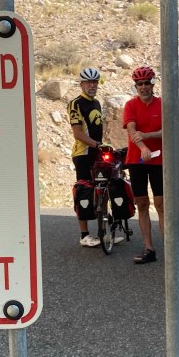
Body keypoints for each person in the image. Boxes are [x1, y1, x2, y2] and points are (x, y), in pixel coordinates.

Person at [123, 66, 164, 264]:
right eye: (139, 84)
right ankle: (149, 248)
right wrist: (143, 147)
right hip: (136, 160)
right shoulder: (130, 105)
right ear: (136, 86)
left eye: (147, 83)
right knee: (142, 203)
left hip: (159, 160)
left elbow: (168, 131)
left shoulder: (162, 104)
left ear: (153, 84)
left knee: (161, 204)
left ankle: (170, 248)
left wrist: (148, 136)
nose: (143, 87)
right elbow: (132, 130)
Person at [69, 67, 106, 247]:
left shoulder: (97, 103)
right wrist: (96, 145)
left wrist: (101, 146)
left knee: (103, 190)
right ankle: (84, 235)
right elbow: (78, 133)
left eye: (95, 82)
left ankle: (104, 232)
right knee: (83, 191)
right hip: (83, 154)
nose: (92, 85)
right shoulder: (76, 103)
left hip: (96, 154)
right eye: (88, 82)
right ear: (82, 84)